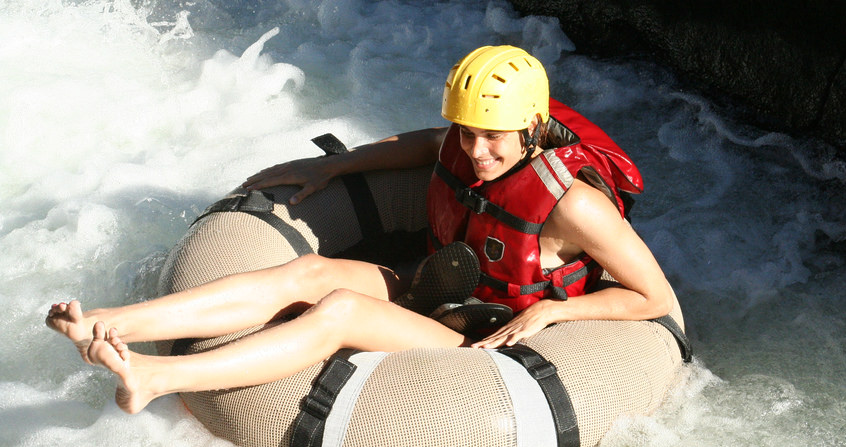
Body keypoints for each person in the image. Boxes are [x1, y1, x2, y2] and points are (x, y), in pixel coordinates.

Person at [47, 45, 677, 414]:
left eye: (493, 137)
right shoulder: (460, 143)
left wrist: (550, 317)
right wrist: (334, 165)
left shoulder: (576, 207)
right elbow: (419, 145)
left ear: (533, 128)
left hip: (491, 336)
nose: (477, 151)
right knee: (305, 274)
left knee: (340, 309)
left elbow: (653, 298)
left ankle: (156, 379)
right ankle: (111, 321)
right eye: (468, 131)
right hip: (436, 285)